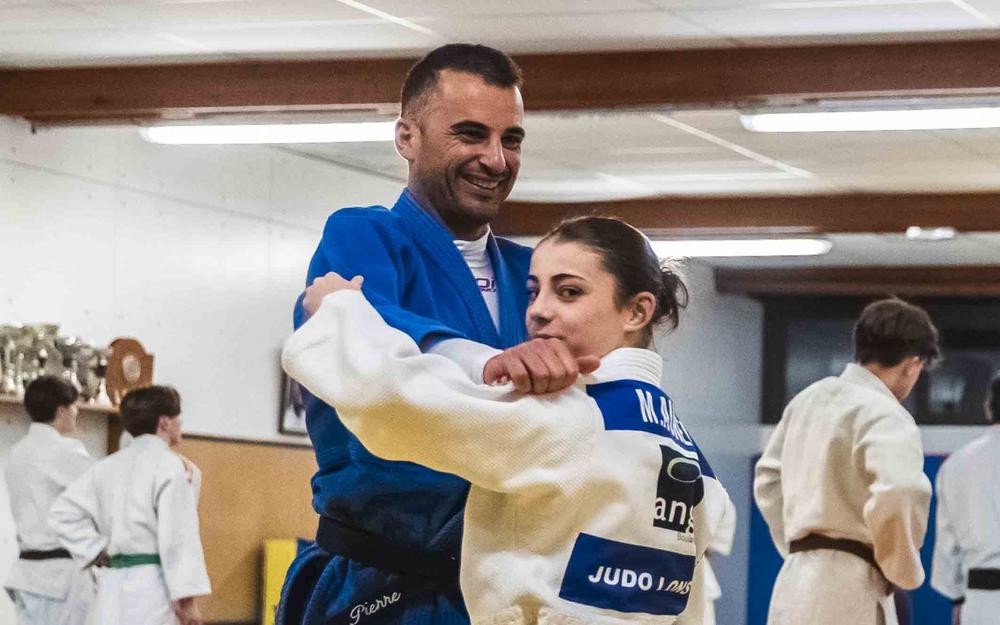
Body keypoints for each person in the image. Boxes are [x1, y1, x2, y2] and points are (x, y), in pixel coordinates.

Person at [284, 216, 733, 624]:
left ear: (636, 311)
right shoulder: (688, 456)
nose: (538, 309)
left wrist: (339, 311)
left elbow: (393, 398)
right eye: (534, 290)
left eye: (569, 291)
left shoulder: (567, 421)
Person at [279, 43, 592, 625]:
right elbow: (365, 329)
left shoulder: (538, 273)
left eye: (512, 139)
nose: (496, 160)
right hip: (381, 586)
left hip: (512, 591)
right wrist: (493, 363)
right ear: (407, 138)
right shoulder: (364, 236)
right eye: (470, 134)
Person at [754, 298, 939, 625]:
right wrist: (901, 568)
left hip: (795, 579)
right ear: (912, 365)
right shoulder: (885, 412)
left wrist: (801, 544)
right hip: (852, 586)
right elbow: (900, 490)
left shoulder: (807, 400)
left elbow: (768, 481)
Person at [49, 385, 210, 625]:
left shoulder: (107, 466)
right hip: (152, 589)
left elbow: (60, 513)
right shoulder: (169, 466)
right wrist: (187, 602)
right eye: (177, 417)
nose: (180, 423)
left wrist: (95, 549)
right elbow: (179, 537)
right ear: (164, 423)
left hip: (109, 586)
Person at [4, 376, 94, 625]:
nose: (77, 412)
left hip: (27, 572)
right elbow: (102, 496)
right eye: (74, 406)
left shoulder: (18, 452)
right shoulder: (65, 450)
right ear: (62, 410)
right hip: (60, 576)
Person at [931, 372, 1000, 625]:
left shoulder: (957, 464)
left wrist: (958, 600)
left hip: (980, 606)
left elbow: (946, 551)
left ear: (988, 407)